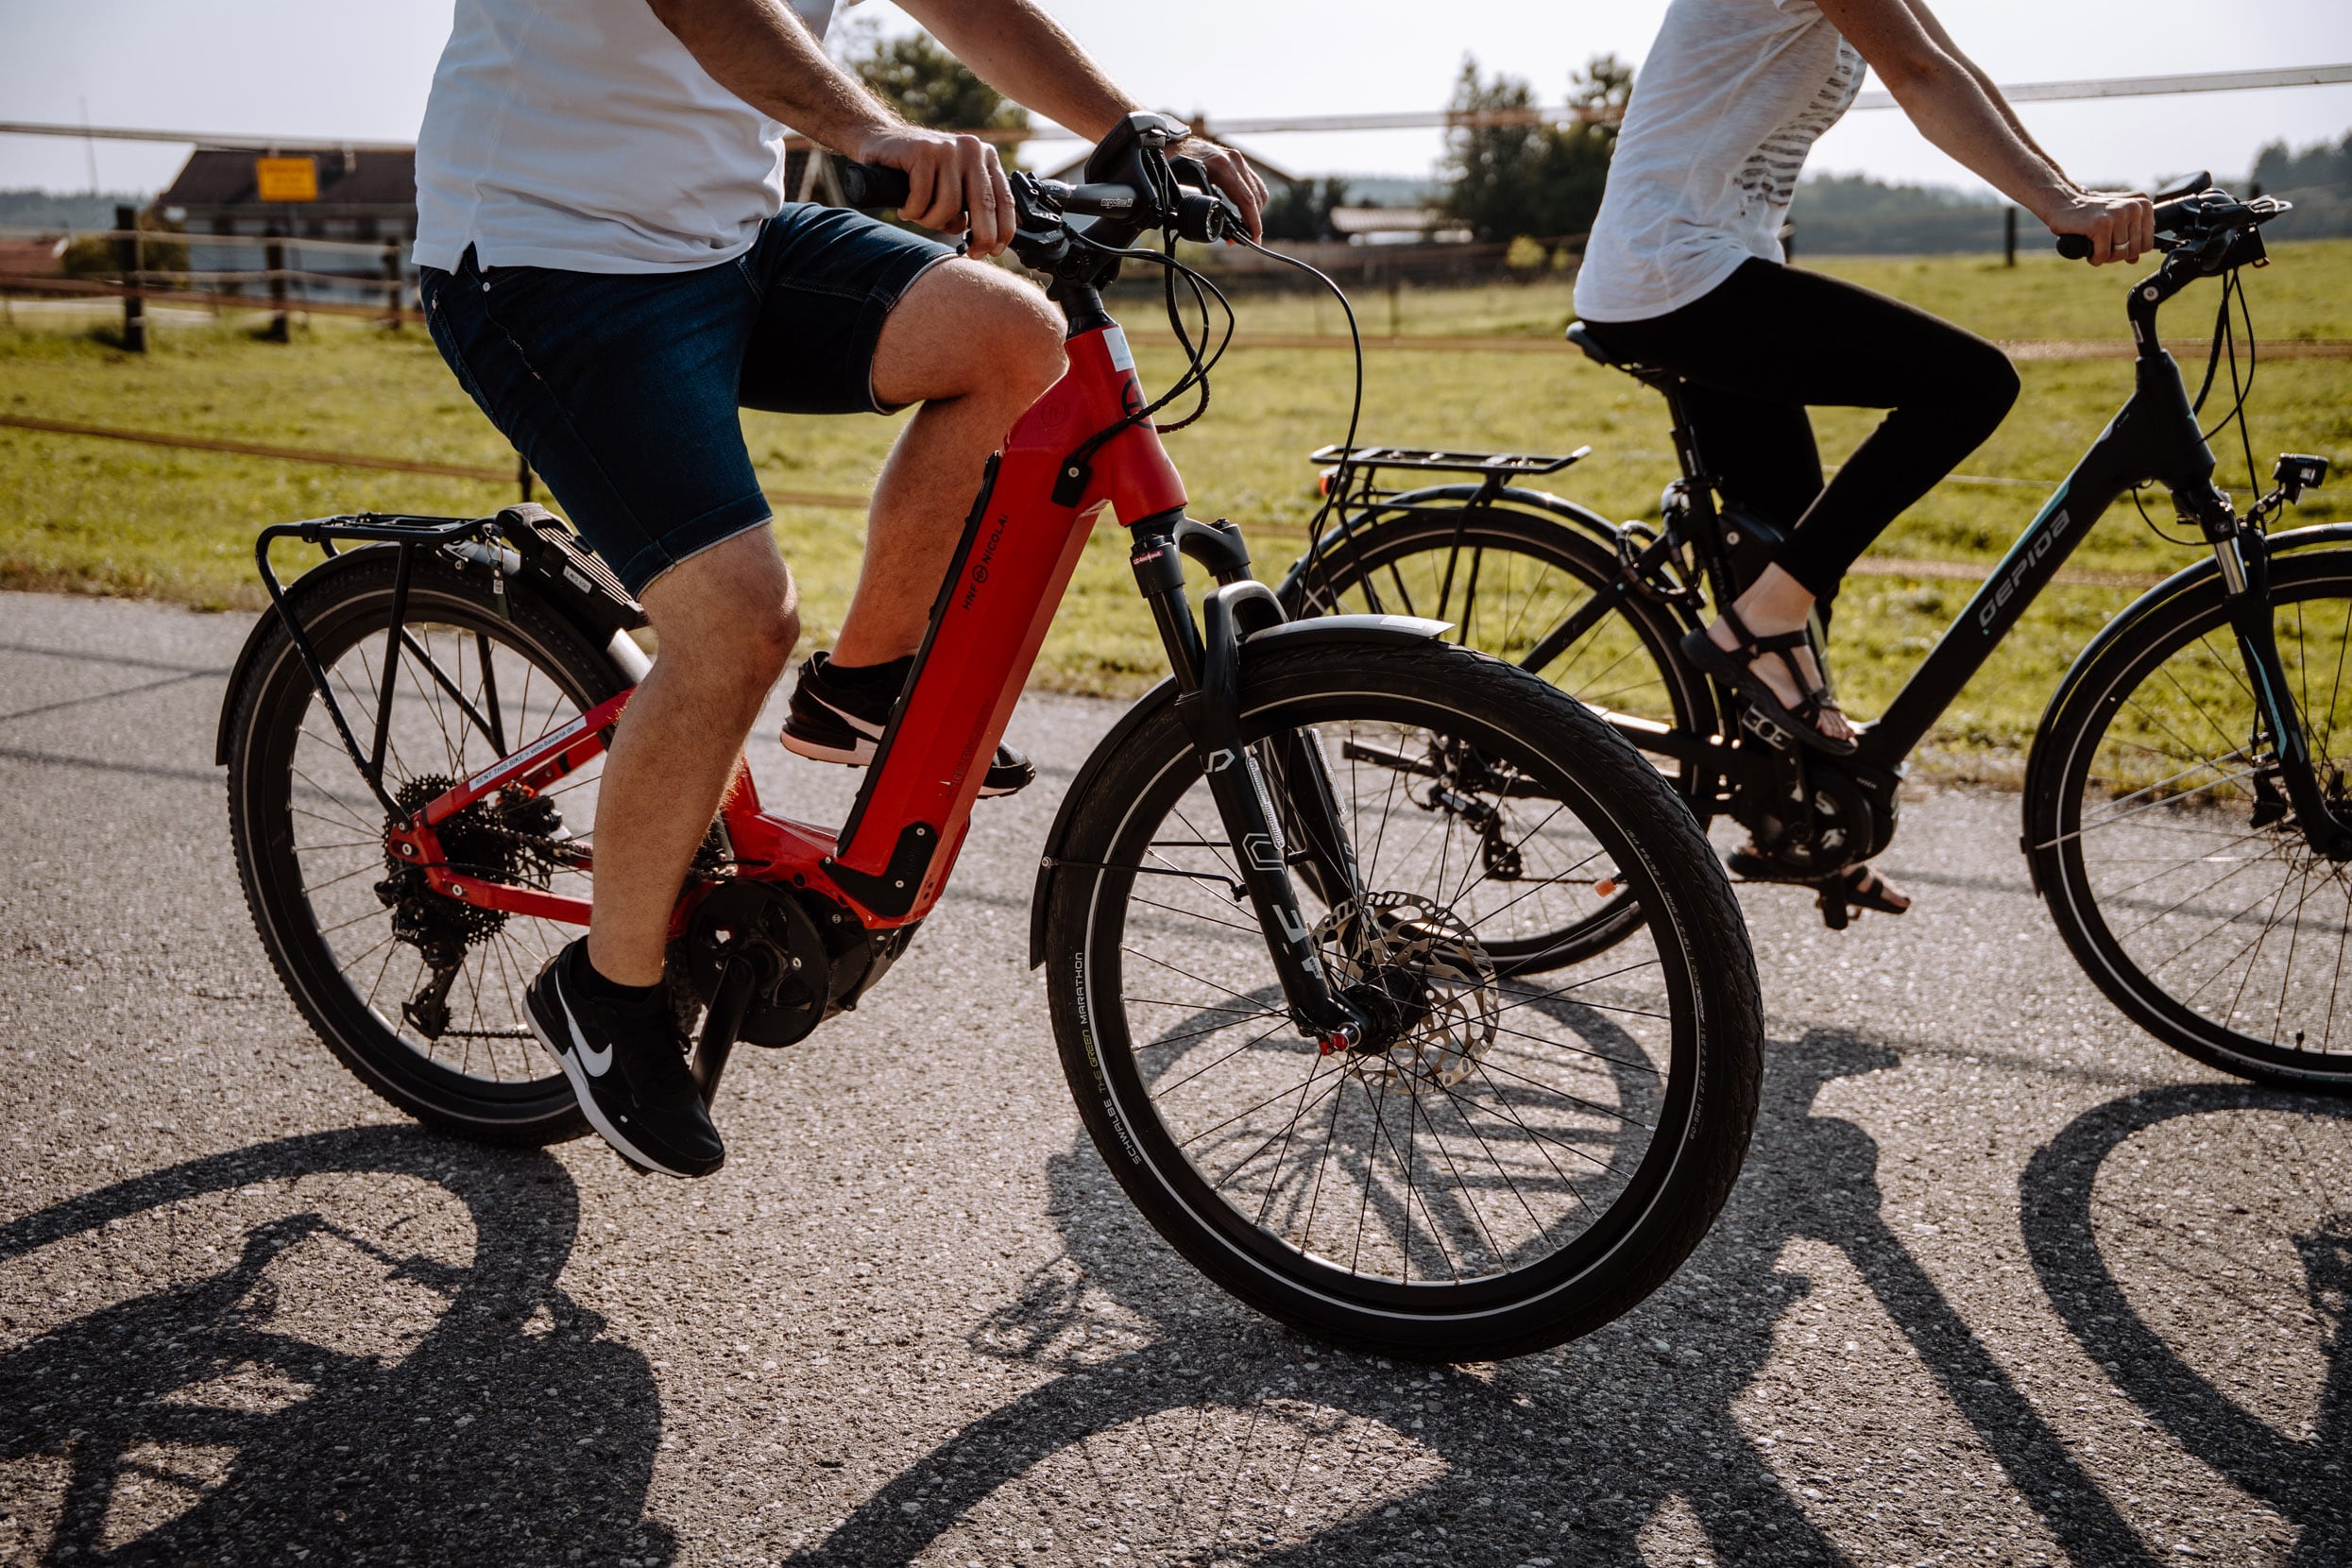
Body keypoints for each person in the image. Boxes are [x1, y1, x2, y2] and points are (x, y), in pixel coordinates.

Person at [413, 0, 1266, 1178]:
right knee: (734, 623)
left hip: (726, 241)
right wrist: (877, 132)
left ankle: (861, 682)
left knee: (1017, 337)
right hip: (546, 260)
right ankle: (609, 996)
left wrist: (1133, 127)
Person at [1571, 0, 2154, 910]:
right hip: (1674, 272)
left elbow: (1950, 67)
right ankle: (1755, 633)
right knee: (1969, 384)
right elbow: (1916, 77)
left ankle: (1800, 819)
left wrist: (2074, 198)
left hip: (1716, 266)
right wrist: (2065, 207)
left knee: (1790, 545)